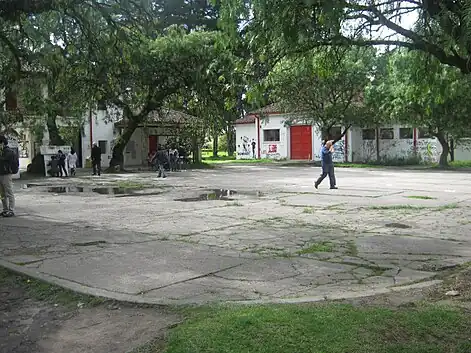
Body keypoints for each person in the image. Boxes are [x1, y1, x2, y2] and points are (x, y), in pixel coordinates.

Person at [0, 135, 19, 217]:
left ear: (2, 143)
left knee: (9, 192)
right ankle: (5, 209)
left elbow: (3, 160)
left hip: (6, 174)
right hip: (0, 173)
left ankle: (11, 210)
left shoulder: (8, 152)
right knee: (2, 193)